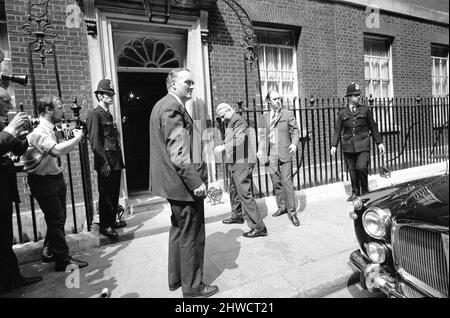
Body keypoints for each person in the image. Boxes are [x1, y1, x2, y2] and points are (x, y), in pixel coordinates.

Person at [149, 68, 219, 298]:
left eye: (193, 82)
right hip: (183, 186)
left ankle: (176, 279)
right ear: (172, 84)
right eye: (187, 82)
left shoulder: (163, 105)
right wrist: (195, 182)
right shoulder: (172, 107)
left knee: (178, 231)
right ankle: (194, 287)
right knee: (192, 235)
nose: (192, 86)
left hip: (173, 185)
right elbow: (178, 151)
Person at [24, 96, 88, 272]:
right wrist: (78, 137)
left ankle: (50, 251)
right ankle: (63, 260)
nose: (63, 111)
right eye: (59, 108)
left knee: (58, 219)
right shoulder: (39, 132)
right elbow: (56, 151)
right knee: (56, 220)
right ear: (48, 110)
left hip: (55, 178)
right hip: (44, 181)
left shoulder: (51, 129)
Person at [0, 87, 42, 294]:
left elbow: (17, 149)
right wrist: (9, 131)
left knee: (5, 237)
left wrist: (22, 135)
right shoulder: (4, 127)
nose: (10, 107)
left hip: (4, 190)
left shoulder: (2, 123)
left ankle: (12, 278)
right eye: (6, 102)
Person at [214, 103, 267, 238]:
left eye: (222, 116)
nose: (221, 119)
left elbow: (240, 140)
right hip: (235, 163)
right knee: (234, 190)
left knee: (245, 195)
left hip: (242, 163)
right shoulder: (231, 120)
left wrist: (223, 147)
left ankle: (259, 227)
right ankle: (237, 215)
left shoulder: (238, 120)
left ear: (229, 110)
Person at [331, 82, 385, 201]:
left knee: (361, 167)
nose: (358, 97)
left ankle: (365, 192)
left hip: (363, 145)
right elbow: (337, 130)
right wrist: (334, 145)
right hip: (348, 146)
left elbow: (373, 127)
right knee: (352, 170)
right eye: (355, 95)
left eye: (359, 95)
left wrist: (379, 142)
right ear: (349, 97)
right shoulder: (342, 113)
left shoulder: (365, 110)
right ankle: (355, 192)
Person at [86, 79, 126, 240]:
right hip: (106, 162)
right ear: (100, 96)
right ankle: (105, 225)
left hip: (115, 159)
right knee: (106, 194)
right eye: (108, 94)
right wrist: (102, 163)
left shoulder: (108, 114)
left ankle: (112, 220)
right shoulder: (94, 114)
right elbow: (95, 142)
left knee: (114, 192)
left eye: (111, 94)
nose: (111, 97)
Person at [257, 90, 300, 227]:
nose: (277, 101)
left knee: (287, 182)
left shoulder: (287, 114)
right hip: (271, 154)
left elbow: (295, 131)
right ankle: (282, 207)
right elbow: (263, 135)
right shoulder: (264, 117)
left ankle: (292, 213)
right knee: (276, 183)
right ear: (269, 101)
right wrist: (260, 149)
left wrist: (294, 143)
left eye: (279, 98)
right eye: (274, 99)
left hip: (284, 152)